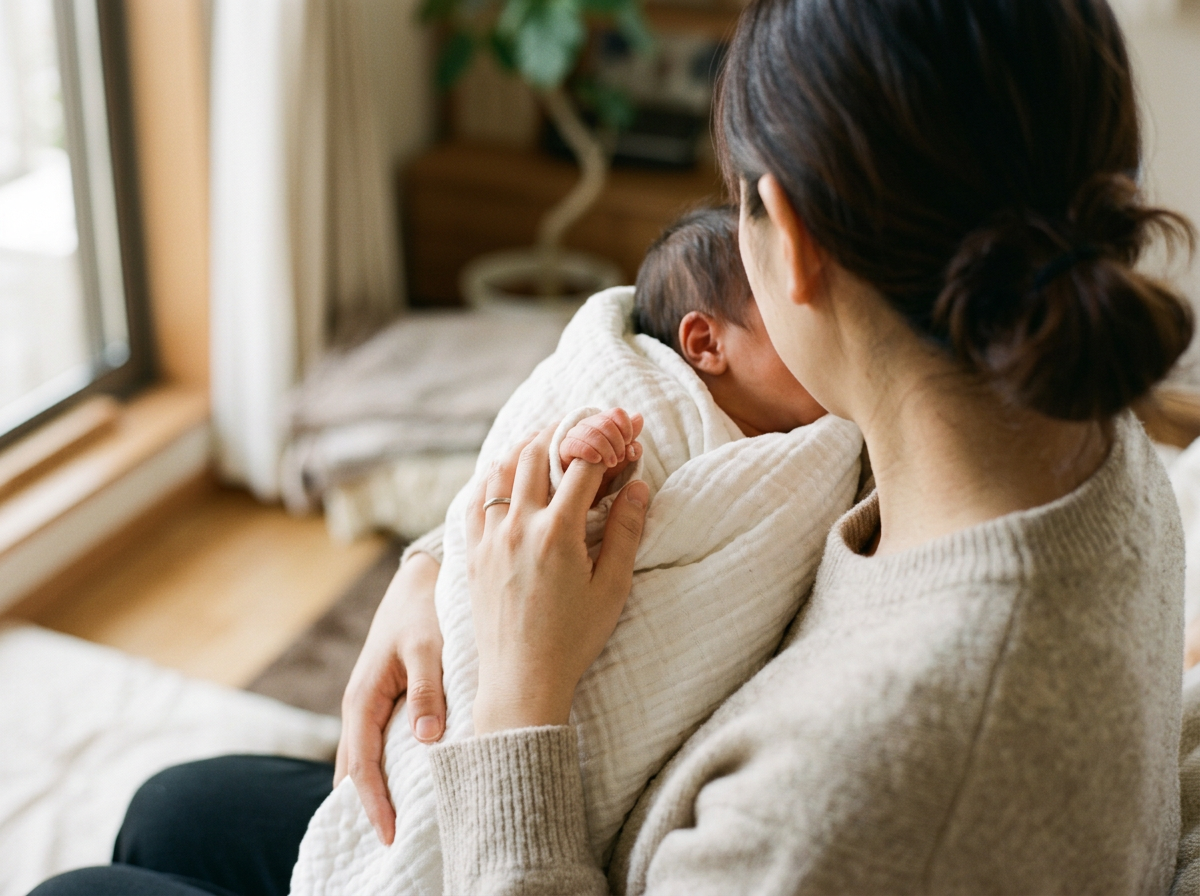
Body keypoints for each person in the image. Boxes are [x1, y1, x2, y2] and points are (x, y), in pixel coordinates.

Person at [29, 0, 1196, 893]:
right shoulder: (1067, 420)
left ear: (789, 242)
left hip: (557, 830)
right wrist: (444, 563)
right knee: (174, 809)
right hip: (633, 808)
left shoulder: (860, 795)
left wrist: (521, 686)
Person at [288, 204, 859, 894]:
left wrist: (517, 696)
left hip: (524, 788)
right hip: (484, 695)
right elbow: (563, 492)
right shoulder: (654, 395)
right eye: (798, 302)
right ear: (705, 342)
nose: (829, 321)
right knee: (193, 802)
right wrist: (439, 557)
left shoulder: (826, 447)